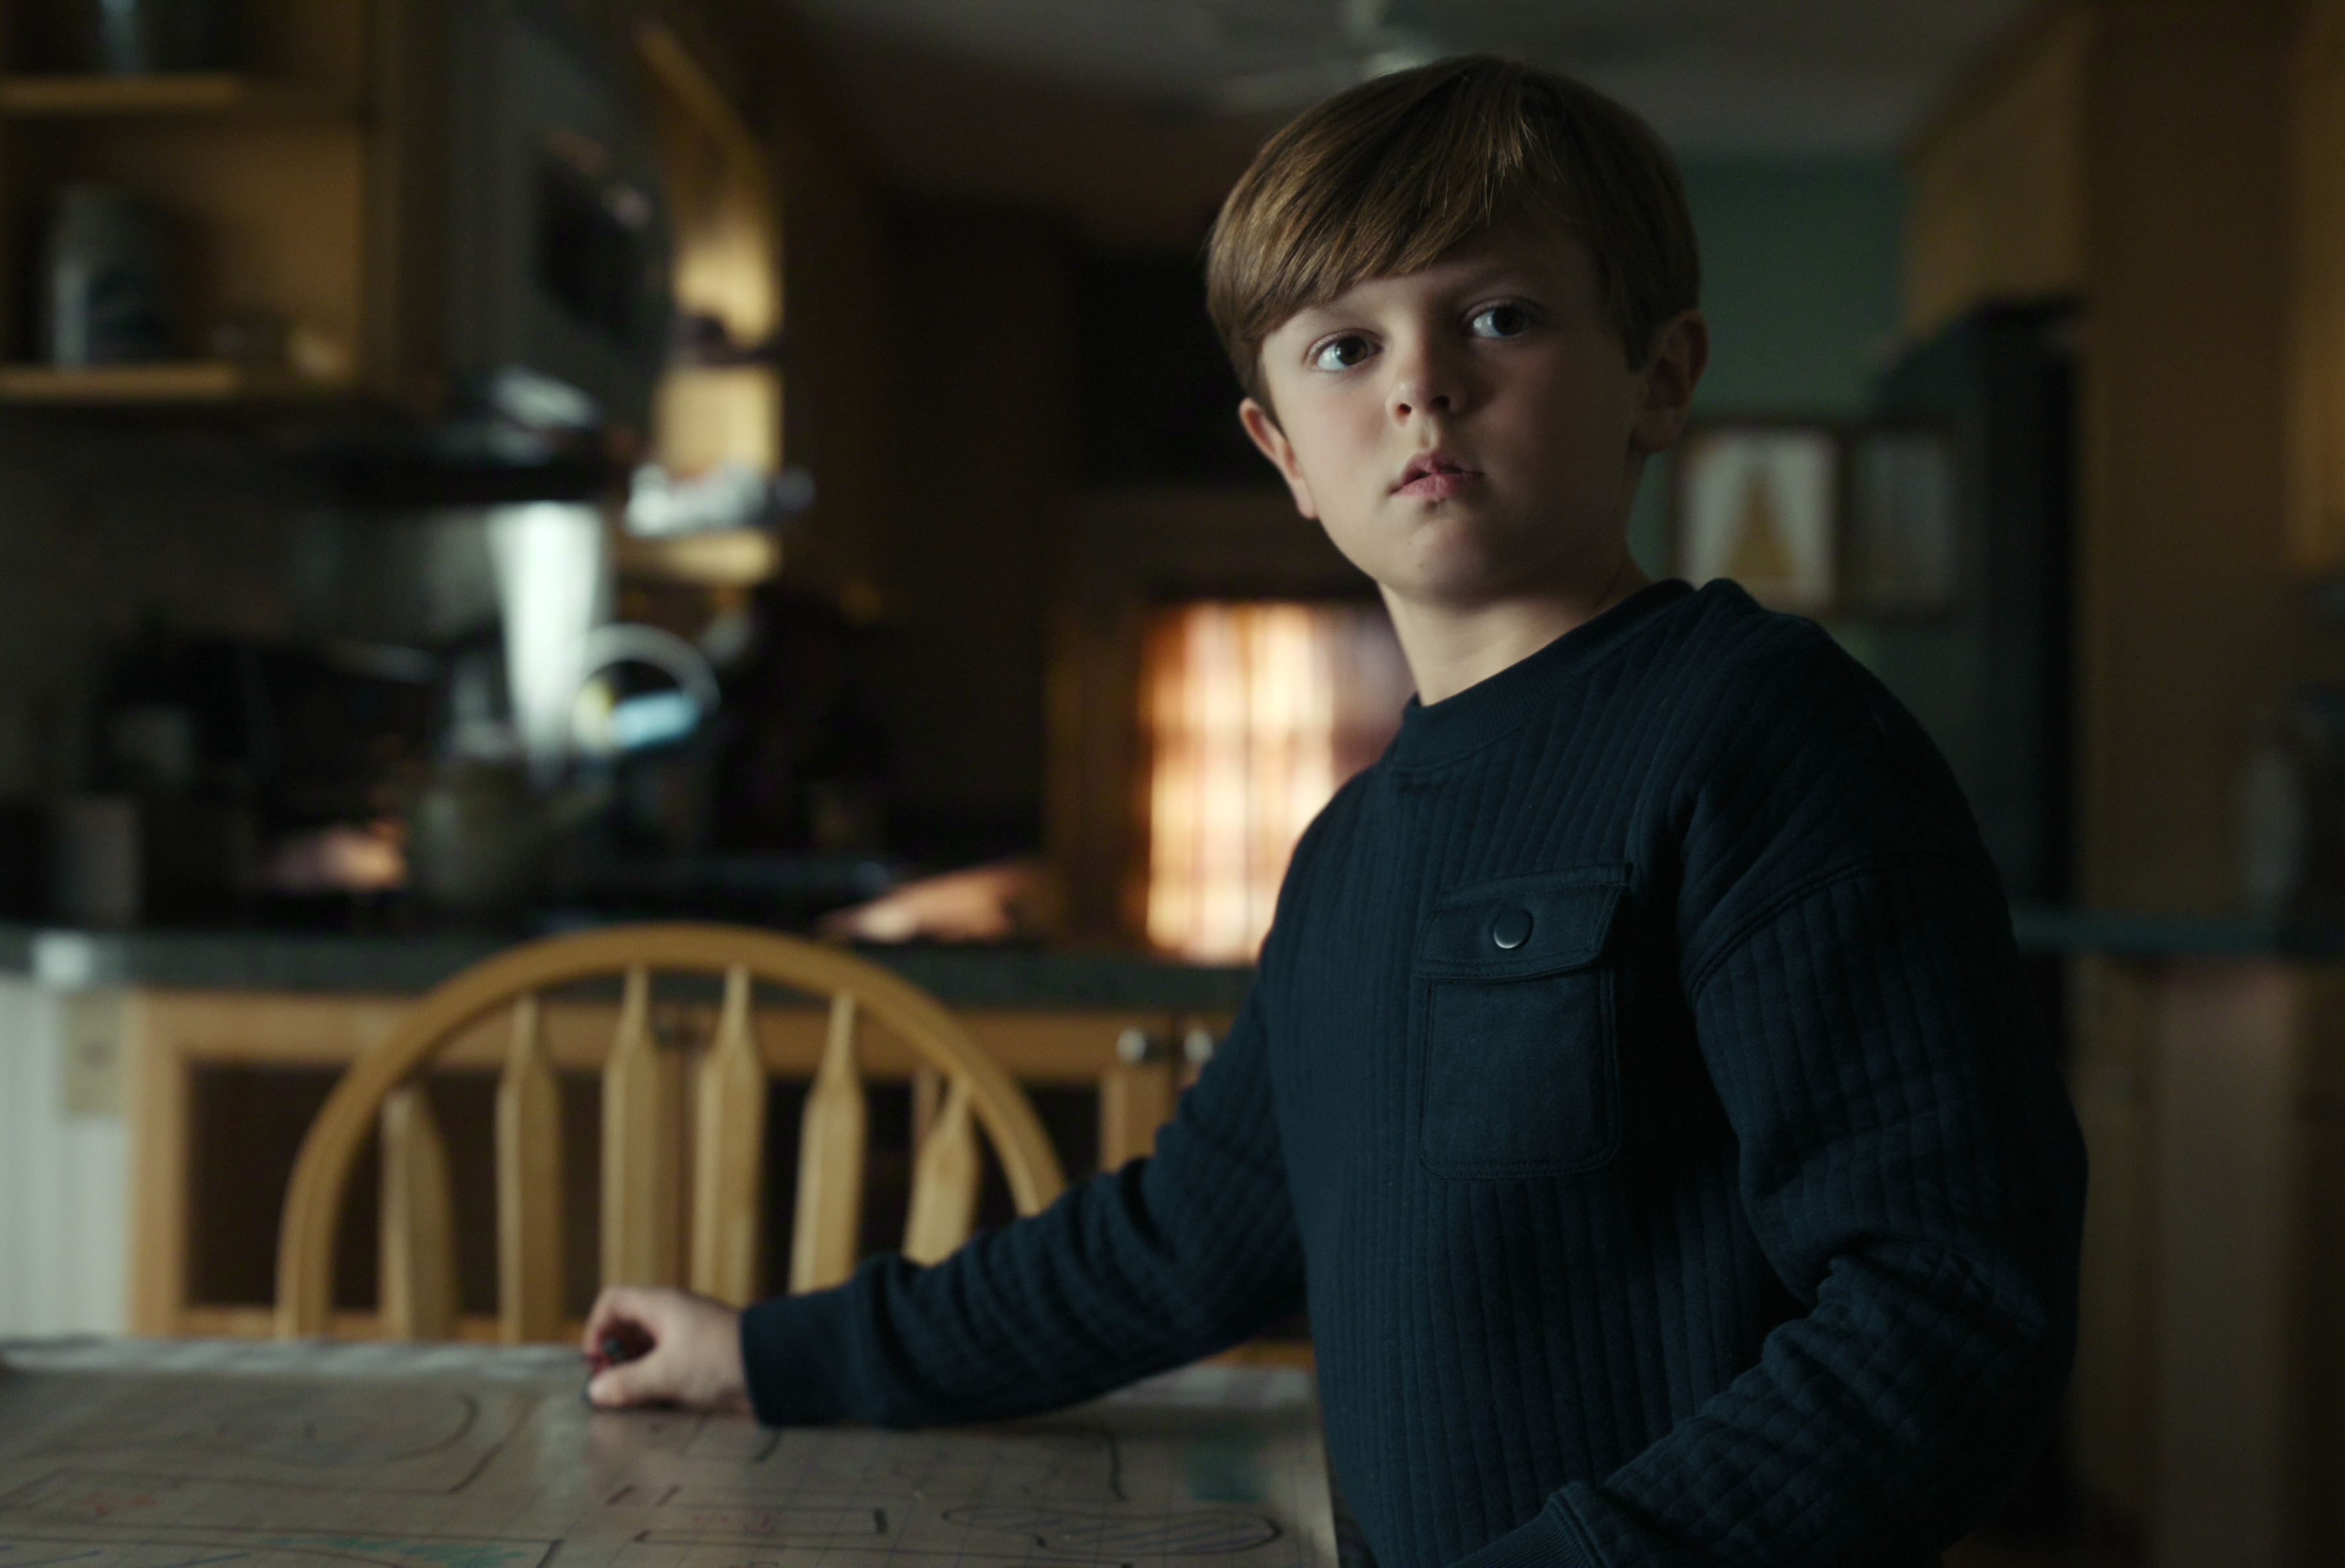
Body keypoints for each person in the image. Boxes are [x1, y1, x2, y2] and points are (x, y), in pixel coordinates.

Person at [582, 55, 2087, 1567]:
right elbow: (1174, 1246)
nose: (1423, 383)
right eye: (1348, 346)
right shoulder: (1350, 857)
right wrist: (772, 1354)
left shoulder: (1770, 738)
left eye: (1500, 315)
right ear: (1284, 454)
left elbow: (1948, 1305)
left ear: (1662, 375)